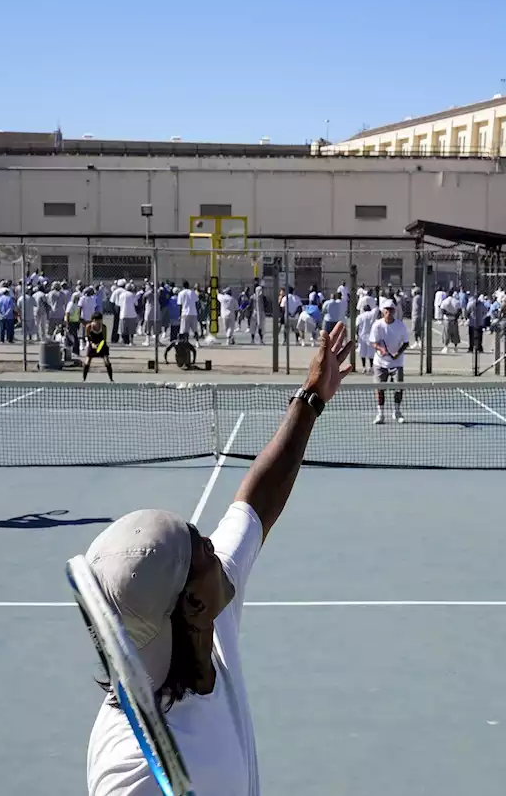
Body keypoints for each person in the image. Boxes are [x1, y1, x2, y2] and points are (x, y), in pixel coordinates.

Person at [85, 322, 354, 796]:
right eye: (203, 549)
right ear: (191, 604)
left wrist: (311, 400)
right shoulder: (133, 771)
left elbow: (254, 505)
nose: (214, 545)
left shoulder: (206, 623)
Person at [370, 298, 408, 425]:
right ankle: (380, 414)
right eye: (387, 310)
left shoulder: (400, 325)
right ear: (383, 311)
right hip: (380, 363)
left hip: (397, 363)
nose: (389, 312)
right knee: (380, 388)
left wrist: (398, 353)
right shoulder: (377, 325)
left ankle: (397, 412)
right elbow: (374, 342)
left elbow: (406, 343)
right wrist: (381, 349)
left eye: (391, 310)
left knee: (399, 388)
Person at [83, 312, 114, 382]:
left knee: (107, 362)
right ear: (93, 320)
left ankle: (111, 379)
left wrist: (99, 346)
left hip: (102, 345)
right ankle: (84, 379)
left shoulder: (103, 327)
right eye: (96, 320)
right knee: (87, 362)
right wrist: (92, 344)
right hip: (92, 345)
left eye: (100, 319)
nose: (98, 321)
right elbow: (87, 337)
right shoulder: (88, 327)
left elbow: (104, 340)